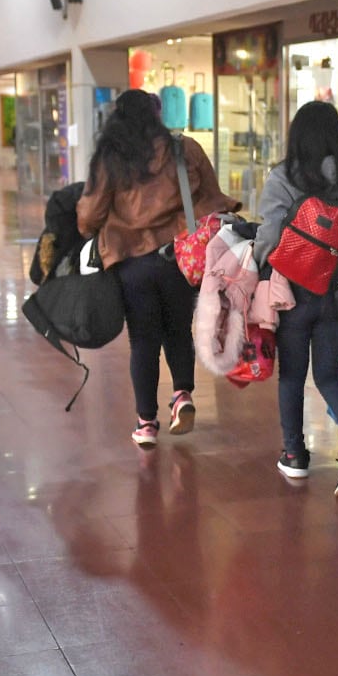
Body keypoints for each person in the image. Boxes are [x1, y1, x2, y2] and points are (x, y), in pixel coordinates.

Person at [78, 89, 238, 448]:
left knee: (143, 340)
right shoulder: (184, 149)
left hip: (131, 263)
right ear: (157, 114)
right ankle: (182, 395)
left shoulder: (111, 157)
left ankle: (146, 423)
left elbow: (89, 214)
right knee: (178, 330)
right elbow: (212, 196)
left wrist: (89, 228)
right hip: (179, 258)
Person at [254, 100, 338, 496]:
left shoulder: (283, 177)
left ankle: (295, 456)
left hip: (294, 289)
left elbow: (270, 236)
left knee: (292, 375)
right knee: (329, 375)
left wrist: (255, 262)